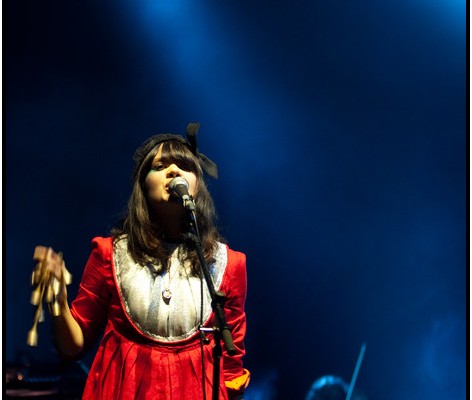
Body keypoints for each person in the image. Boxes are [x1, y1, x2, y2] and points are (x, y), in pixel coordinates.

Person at [39, 123, 250, 399]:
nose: (173, 171)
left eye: (184, 166)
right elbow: (72, 346)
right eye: (159, 166)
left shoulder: (229, 264)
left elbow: (231, 365)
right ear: (142, 185)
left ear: (198, 185)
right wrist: (56, 300)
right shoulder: (109, 253)